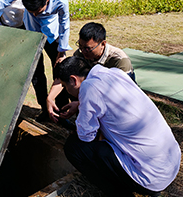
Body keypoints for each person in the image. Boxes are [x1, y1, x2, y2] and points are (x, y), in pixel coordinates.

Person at [55, 56, 181, 197]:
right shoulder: (114, 73)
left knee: (74, 148)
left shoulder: (88, 87)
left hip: (149, 178)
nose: (67, 91)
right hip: (170, 163)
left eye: (66, 87)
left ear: (73, 79)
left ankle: (119, 193)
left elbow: (86, 135)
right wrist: (81, 105)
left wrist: (81, 112)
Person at [47, 22, 135, 123]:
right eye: (80, 46)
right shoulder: (80, 54)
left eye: (88, 48)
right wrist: (50, 98)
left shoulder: (119, 60)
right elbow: (65, 77)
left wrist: (81, 104)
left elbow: (119, 95)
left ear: (103, 44)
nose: (83, 51)